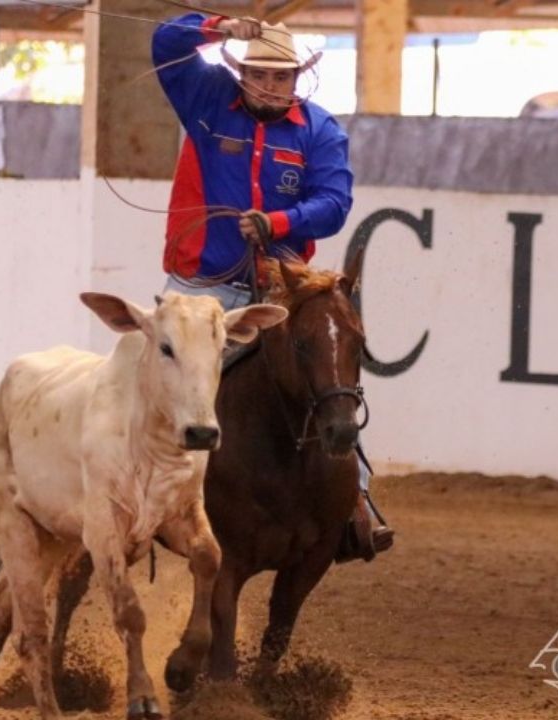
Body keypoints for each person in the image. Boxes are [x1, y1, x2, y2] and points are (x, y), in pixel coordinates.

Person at [152, 14, 392, 562]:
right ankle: (137, 494)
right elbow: (165, 41)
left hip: (279, 289)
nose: (271, 85)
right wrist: (219, 27)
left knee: (326, 381)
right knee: (155, 386)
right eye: (260, 73)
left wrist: (277, 223)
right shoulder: (207, 98)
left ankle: (355, 503)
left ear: (298, 78)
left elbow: (334, 205)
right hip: (199, 288)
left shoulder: (320, 131)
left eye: (282, 76)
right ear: (240, 72)